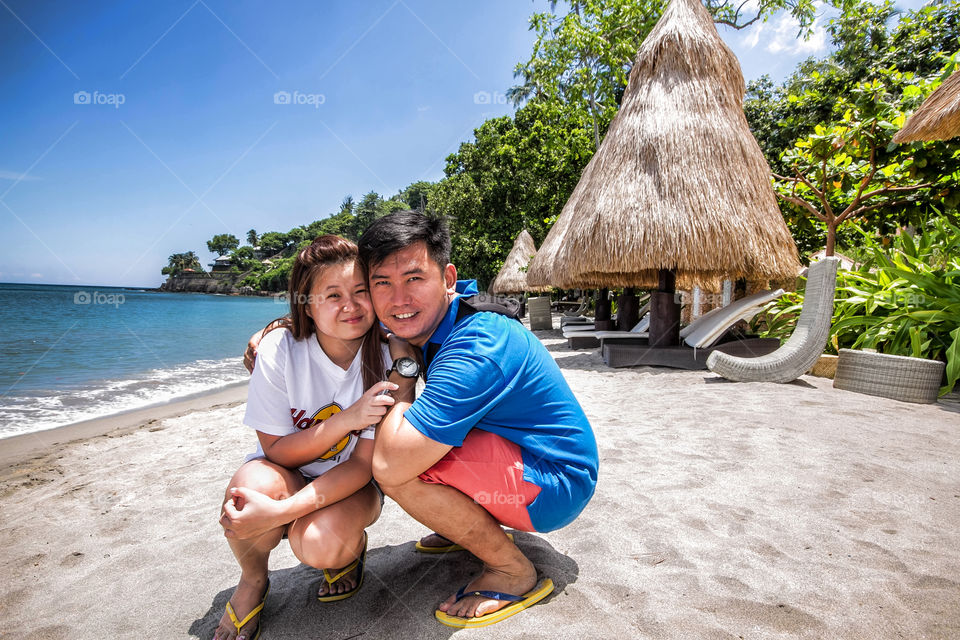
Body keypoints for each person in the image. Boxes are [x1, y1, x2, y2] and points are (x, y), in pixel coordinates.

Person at [244, 212, 599, 629]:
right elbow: (340, 313)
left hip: (554, 484)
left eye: (415, 278)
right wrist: (282, 326)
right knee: (414, 445)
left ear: (447, 277)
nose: (399, 299)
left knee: (396, 468)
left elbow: (392, 464)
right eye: (382, 284)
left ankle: (512, 571)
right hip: (521, 459)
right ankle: (463, 527)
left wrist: (405, 374)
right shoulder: (439, 316)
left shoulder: (477, 345)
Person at [215, 235, 402, 640]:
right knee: (246, 495)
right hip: (289, 469)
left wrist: (282, 515)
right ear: (306, 303)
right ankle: (252, 580)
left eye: (360, 291)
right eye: (332, 295)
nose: (350, 306)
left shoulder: (388, 358)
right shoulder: (280, 348)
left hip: (354, 484)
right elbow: (277, 451)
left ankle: (347, 553)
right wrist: (346, 420)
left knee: (318, 544)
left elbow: (360, 464)